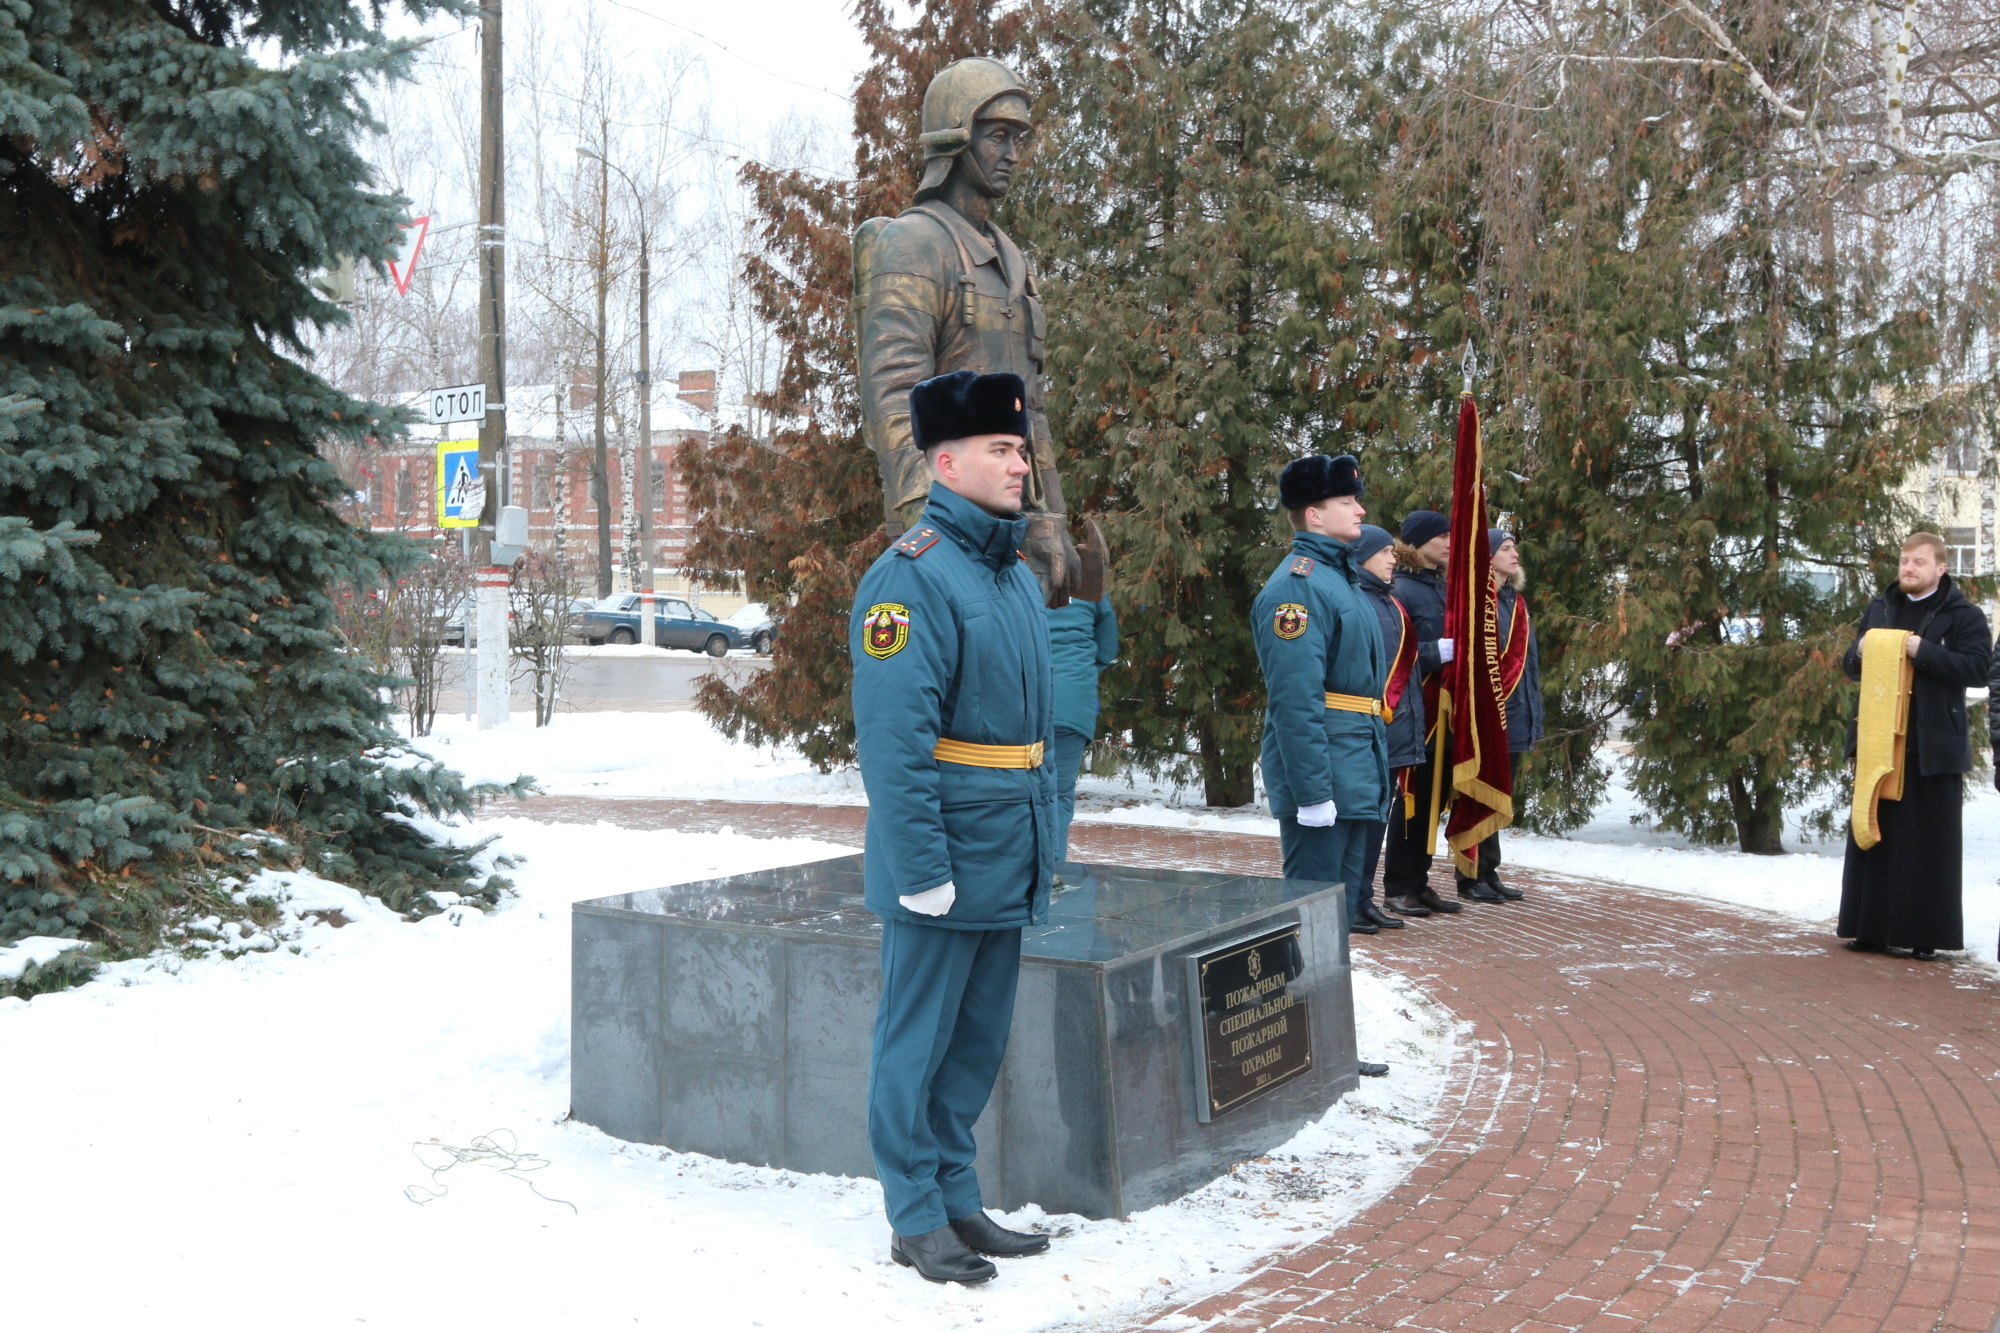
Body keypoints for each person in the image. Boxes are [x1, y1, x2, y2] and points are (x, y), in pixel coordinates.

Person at [849, 369, 1058, 1284]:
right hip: (944, 858)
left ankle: (958, 1196)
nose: (1021, 464)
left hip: (1006, 848)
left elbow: (1028, 737)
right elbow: (895, 741)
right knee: (917, 1042)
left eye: (1021, 449)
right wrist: (920, 866)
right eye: (1002, 450)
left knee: (973, 1045)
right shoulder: (912, 576)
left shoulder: (1009, 576)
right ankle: (913, 1213)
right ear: (946, 460)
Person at [851, 57, 1093, 604]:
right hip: (947, 539)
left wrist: (1051, 516)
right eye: (998, 136)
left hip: (1011, 537)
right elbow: (892, 397)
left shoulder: (1012, 259)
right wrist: (932, 525)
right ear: (955, 138)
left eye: (1018, 139)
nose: (1011, 154)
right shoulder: (914, 243)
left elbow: (1031, 409)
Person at [1839, 532, 1990, 960]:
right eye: (1904, 560)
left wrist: (1922, 650)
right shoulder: (1881, 607)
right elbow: (1852, 668)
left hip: (1932, 745)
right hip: (1878, 741)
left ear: (1940, 569)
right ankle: (1868, 930)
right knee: (1876, 839)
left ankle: (1926, 935)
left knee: (1928, 846)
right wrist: (1860, 650)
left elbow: (1978, 669)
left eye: (1918, 562)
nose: (1907, 568)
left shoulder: (1964, 614)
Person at [1380, 510, 1467, 912]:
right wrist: (1435, 652)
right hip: (1418, 714)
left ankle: (1419, 881)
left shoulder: (1444, 586)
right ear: (1417, 542)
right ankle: (1398, 885)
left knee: (1434, 802)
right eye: (1441, 536)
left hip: (1446, 715)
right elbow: (1392, 654)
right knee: (1413, 800)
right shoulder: (1400, 588)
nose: (1450, 542)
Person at [1454, 531, 1541, 902]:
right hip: (1488, 719)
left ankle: (1489, 872)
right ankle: (1470, 876)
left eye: (1514, 547)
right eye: (1505, 548)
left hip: (1517, 714)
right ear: (1486, 557)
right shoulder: (1479, 603)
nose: (1514, 553)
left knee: (1498, 794)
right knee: (1479, 793)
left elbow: (1528, 667)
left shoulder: (1515, 603)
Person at [1353, 524, 1426, 922]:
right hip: (1371, 731)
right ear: (1362, 555)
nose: (1393, 557)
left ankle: (1363, 900)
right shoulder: (1362, 602)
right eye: (1384, 552)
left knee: (1376, 819)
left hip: (1395, 730)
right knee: (1364, 821)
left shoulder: (1388, 601)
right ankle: (1354, 900)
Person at [1043, 594, 1119, 866]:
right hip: (1073, 705)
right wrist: (1080, 670)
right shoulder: (1089, 590)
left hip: (1020, 701)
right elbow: (1107, 648)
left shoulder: (1012, 578)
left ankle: (1014, 872)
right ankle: (1049, 868)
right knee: (1057, 792)